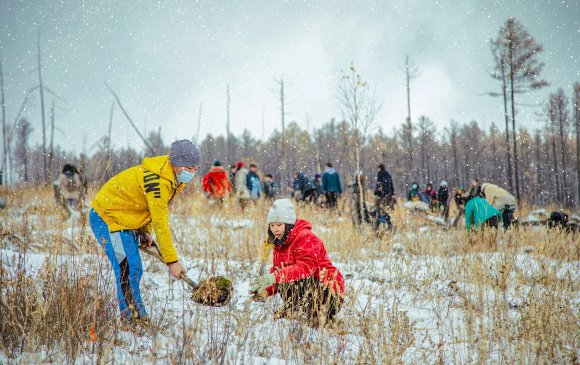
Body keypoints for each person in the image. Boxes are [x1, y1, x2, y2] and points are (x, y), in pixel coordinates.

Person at [89, 139, 201, 326]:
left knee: (134, 268)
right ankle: (132, 320)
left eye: (196, 168)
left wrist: (144, 231)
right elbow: (160, 221)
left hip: (126, 219)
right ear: (177, 164)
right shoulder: (158, 181)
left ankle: (137, 316)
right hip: (108, 218)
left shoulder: (172, 176)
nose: (193, 173)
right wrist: (172, 261)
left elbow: (149, 208)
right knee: (128, 268)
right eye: (189, 168)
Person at [249, 199, 345, 327]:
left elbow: (305, 268)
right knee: (285, 281)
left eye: (279, 225)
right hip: (307, 288)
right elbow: (278, 270)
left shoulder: (306, 237)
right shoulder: (280, 242)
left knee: (289, 280)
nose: (275, 229)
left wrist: (274, 277)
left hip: (328, 291)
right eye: (272, 225)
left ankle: (318, 315)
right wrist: (265, 290)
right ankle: (296, 310)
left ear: (288, 224)